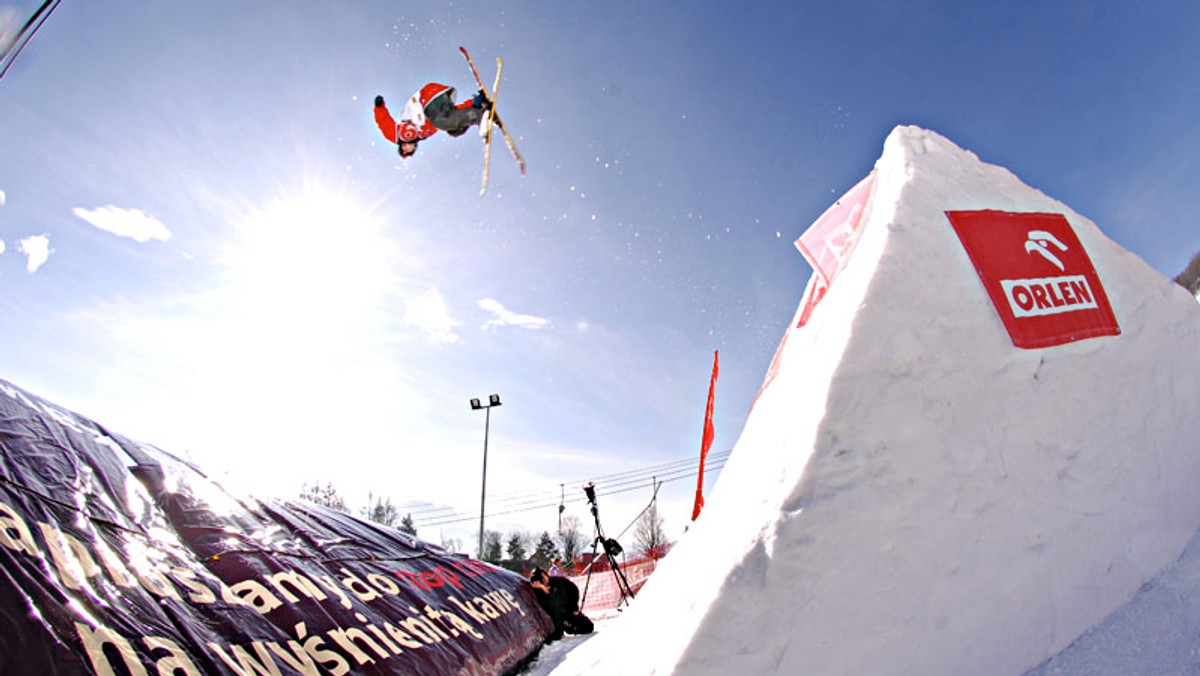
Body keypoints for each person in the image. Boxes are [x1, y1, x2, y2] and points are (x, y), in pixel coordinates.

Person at [373, 83, 491, 158]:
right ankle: (478, 105)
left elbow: (383, 122)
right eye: (411, 151)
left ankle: (479, 116)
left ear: (402, 148)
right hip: (442, 101)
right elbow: (454, 116)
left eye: (406, 150)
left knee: (441, 122)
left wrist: (379, 106)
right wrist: (472, 103)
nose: (409, 149)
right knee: (453, 130)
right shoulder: (425, 133)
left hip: (428, 97)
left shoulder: (396, 135)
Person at [529, 567, 593, 641]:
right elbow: (551, 605)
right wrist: (544, 589)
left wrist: (574, 607)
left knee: (588, 627)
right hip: (555, 618)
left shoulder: (559, 582)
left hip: (569, 610)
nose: (544, 579)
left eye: (544, 576)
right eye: (540, 577)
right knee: (559, 633)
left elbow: (574, 590)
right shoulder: (537, 591)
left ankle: (571, 626)